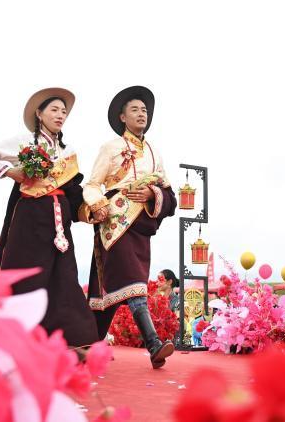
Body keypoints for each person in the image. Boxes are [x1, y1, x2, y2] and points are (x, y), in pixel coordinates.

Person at [0, 87, 99, 348]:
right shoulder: (24, 141)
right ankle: (15, 338)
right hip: (30, 218)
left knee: (64, 275)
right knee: (28, 275)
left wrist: (90, 208)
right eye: (54, 110)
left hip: (59, 220)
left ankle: (74, 340)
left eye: (63, 111)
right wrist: (11, 171)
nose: (60, 115)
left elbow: (72, 189)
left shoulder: (67, 151)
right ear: (39, 114)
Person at [81, 85, 177, 368]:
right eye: (134, 109)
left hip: (141, 225)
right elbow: (92, 184)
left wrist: (152, 194)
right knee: (134, 283)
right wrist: (98, 204)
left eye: (144, 110)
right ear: (122, 117)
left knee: (111, 289)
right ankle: (154, 344)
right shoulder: (110, 148)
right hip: (115, 224)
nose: (141, 114)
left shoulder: (155, 152)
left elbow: (169, 194)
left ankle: (89, 344)